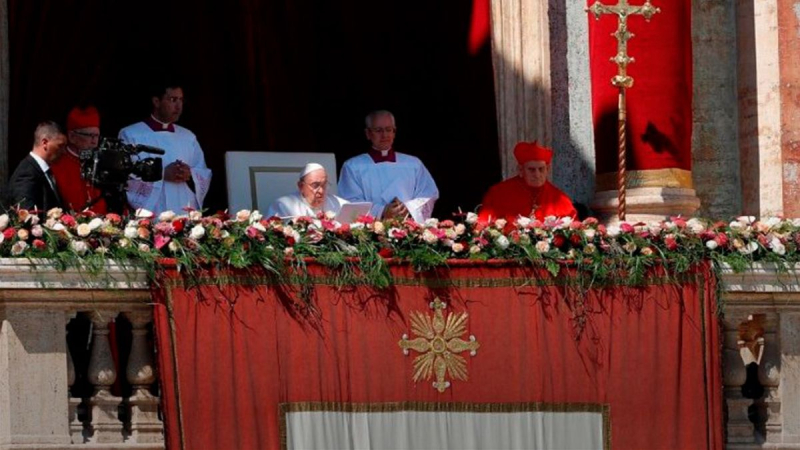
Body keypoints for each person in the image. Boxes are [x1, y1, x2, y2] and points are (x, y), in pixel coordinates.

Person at [119, 80, 211, 215]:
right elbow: (125, 175)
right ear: (156, 101)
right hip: (152, 211)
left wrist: (189, 173)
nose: (178, 106)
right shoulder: (131, 134)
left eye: (181, 100)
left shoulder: (187, 136)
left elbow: (203, 171)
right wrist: (161, 174)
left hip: (183, 208)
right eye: (173, 100)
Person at [337, 110, 438, 222]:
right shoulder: (353, 167)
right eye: (378, 130)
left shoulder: (413, 164)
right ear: (368, 133)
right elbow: (350, 202)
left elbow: (428, 194)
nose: (384, 135)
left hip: (407, 229)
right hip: (371, 233)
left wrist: (408, 208)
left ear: (394, 132)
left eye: (388, 130)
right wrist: (382, 211)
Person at [478, 141, 577, 224]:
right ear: (521, 170)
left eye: (541, 169)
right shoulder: (498, 193)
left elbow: (573, 231)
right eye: (531, 170)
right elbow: (484, 225)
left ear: (548, 169)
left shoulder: (559, 199)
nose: (537, 175)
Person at [49, 105, 107, 214]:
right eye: (90, 135)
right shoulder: (56, 164)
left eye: (97, 135)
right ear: (72, 136)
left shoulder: (101, 162)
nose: (94, 141)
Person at [7, 121, 68, 212]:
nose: (64, 151)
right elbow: (26, 217)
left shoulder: (45, 171)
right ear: (45, 143)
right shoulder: (26, 174)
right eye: (60, 146)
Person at [266, 163, 348, 218]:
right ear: (301, 186)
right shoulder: (282, 206)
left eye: (324, 185)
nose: (321, 191)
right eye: (315, 185)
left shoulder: (341, 205)